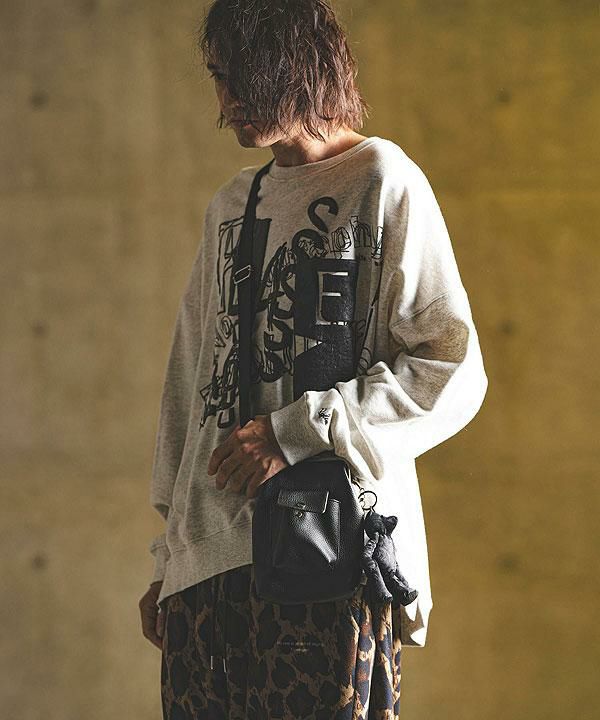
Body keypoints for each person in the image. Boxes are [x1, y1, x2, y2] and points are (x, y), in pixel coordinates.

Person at [138, 1, 488, 718]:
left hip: (327, 555)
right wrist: (171, 559)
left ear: (295, 67)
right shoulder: (230, 206)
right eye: (219, 77)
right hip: (208, 572)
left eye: (243, 76)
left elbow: (451, 367)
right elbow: (189, 384)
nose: (227, 101)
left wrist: (296, 432)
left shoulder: (382, 179)